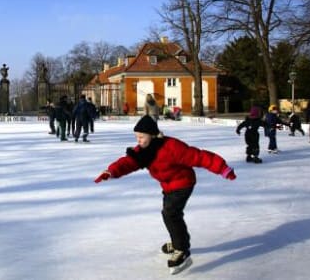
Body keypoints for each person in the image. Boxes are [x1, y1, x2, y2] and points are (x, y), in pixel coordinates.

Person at [94, 115, 236, 274]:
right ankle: (177, 242)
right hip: (168, 185)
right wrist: (111, 171)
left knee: (171, 214)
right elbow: (128, 162)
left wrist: (222, 168)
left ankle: (181, 249)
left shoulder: (172, 147)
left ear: (152, 135)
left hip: (183, 183)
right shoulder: (143, 152)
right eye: (136, 137)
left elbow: (199, 157)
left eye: (141, 137)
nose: (139, 140)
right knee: (169, 214)